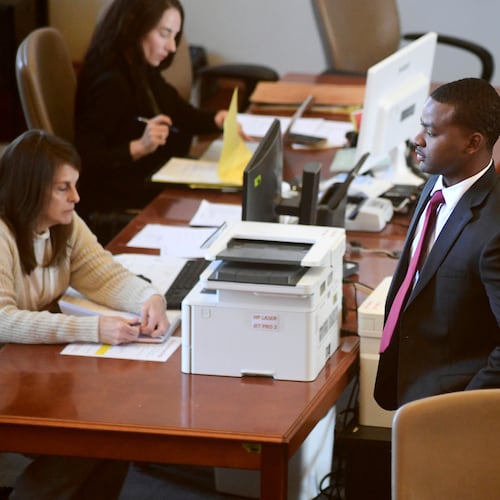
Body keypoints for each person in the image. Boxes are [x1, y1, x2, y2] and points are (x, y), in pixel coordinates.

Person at [0, 129, 170, 499]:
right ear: (31, 188)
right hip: (7, 372)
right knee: (86, 438)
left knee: (115, 425)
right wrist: (93, 329)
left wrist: (150, 296)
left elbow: (103, 275)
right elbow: (3, 320)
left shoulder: (65, 225)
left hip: (26, 365)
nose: (76, 198)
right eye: (64, 188)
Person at [374, 77, 500, 411]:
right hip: (410, 381)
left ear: (472, 144)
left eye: (431, 133)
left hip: (451, 407)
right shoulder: (437, 182)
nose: (417, 140)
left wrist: (463, 409)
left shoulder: (494, 231)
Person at [74, 0, 232, 219]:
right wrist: (139, 147)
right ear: (133, 26)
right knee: (220, 200)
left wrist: (218, 120)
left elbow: (179, 112)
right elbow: (85, 159)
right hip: (116, 197)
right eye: (164, 34)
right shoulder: (111, 83)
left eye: (174, 36)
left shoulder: (140, 67)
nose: (172, 47)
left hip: (148, 177)